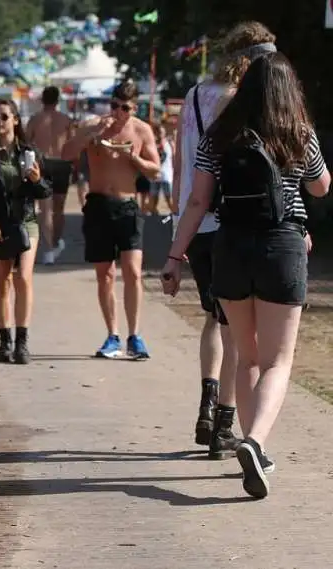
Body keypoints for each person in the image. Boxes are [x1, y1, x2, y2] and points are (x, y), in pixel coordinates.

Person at [162, 52, 330, 499]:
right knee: (278, 361)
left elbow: (197, 202)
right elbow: (321, 186)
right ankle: (255, 441)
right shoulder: (297, 133)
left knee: (246, 354)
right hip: (282, 247)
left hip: (231, 247)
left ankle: (254, 445)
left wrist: (175, 257)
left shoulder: (220, 136)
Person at [173, 21, 279, 461]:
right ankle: (222, 422)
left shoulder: (196, 95)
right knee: (238, 327)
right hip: (233, 219)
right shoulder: (247, 101)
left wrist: (178, 224)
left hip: (193, 222)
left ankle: (206, 403)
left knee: (215, 319)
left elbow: (181, 161)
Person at [61, 80, 161, 359]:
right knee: (105, 274)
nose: (118, 113)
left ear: (134, 108)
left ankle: (135, 335)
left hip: (128, 206)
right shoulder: (93, 124)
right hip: (98, 205)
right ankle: (112, 335)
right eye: (114, 105)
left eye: (124, 108)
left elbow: (155, 171)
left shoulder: (141, 130)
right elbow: (66, 153)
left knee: (133, 271)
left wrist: (135, 159)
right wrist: (91, 134)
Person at [0, 99, 52, 364]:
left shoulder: (29, 152)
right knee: (1, 280)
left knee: (23, 278)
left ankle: (22, 342)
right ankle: (5, 341)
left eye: (4, 116)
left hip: (25, 221)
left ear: (15, 119)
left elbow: (45, 190)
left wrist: (37, 181)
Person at [26, 86, 72, 265]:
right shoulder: (65, 120)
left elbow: (26, 142)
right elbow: (72, 143)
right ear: (57, 100)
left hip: (43, 163)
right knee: (59, 208)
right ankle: (56, 242)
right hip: (62, 163)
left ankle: (50, 248)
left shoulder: (35, 120)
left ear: (42, 100)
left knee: (45, 208)